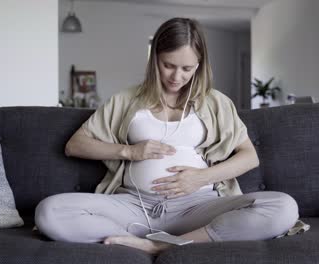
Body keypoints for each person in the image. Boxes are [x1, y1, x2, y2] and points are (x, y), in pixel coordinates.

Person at [35, 17, 299, 254]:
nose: (177, 77)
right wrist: (129, 151)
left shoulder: (216, 102)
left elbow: (249, 157)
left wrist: (200, 178)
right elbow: (75, 145)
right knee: (49, 212)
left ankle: (160, 245)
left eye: (187, 68)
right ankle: (134, 239)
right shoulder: (126, 100)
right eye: (168, 65)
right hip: (134, 206)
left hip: (198, 207)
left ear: (199, 64)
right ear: (154, 59)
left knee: (283, 207)